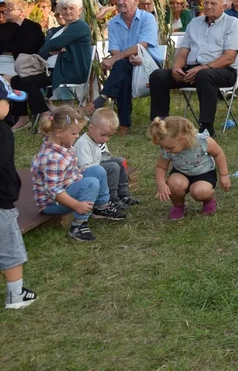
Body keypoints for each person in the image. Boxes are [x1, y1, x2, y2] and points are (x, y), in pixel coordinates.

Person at [148, 0, 238, 136]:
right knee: (158, 76)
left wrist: (204, 67)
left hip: (223, 70)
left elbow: (230, 57)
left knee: (204, 75)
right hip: (194, 69)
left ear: (224, 6)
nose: (208, 6)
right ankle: (160, 125)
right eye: (206, 3)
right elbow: (184, 52)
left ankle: (206, 128)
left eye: (213, 3)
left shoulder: (233, 24)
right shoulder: (194, 23)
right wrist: (176, 67)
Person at [32, 106, 125, 243]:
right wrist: (76, 205)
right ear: (59, 132)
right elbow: (54, 191)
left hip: (67, 188)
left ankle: (102, 208)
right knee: (91, 183)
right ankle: (78, 225)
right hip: (53, 203)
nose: (77, 137)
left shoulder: (63, 145)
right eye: (74, 134)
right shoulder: (52, 158)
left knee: (98, 170)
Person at [91, 0, 163, 135]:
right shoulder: (113, 23)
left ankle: (107, 102)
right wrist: (125, 57)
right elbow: (114, 48)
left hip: (149, 66)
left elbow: (143, 45)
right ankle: (122, 123)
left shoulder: (147, 18)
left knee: (119, 65)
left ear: (136, 1)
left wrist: (119, 57)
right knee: (122, 68)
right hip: (126, 64)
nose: (120, 2)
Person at [150, 116, 231, 220]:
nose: (166, 150)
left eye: (170, 147)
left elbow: (218, 154)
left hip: (204, 173)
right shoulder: (167, 148)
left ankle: (208, 200)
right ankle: (178, 206)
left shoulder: (203, 141)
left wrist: (224, 175)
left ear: (182, 137)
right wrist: (161, 184)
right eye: (163, 147)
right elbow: (161, 167)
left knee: (200, 192)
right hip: (181, 172)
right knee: (174, 185)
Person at [0, 77, 35, 309]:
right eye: (6, 101)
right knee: (10, 249)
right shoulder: (3, 132)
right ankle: (15, 295)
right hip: (1, 203)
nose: (10, 106)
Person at [73, 108, 138, 208]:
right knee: (113, 166)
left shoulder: (98, 139)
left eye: (109, 136)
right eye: (103, 135)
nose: (106, 139)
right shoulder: (83, 144)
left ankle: (123, 194)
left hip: (97, 168)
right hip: (85, 176)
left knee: (120, 161)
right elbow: (87, 169)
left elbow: (105, 157)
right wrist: (110, 168)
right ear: (91, 128)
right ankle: (112, 198)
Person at [0, 0, 47, 130]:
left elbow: (32, 47)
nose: (5, 12)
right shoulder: (5, 27)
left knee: (9, 79)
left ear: (20, 12)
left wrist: (11, 48)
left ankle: (14, 116)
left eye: (9, 9)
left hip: (27, 65)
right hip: (8, 63)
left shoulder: (33, 27)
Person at [39, 0, 94, 104]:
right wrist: (49, 50)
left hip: (72, 71)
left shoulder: (79, 26)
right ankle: (50, 111)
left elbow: (53, 44)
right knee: (22, 80)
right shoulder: (63, 28)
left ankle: (47, 111)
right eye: (64, 8)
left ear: (80, 10)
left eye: (71, 8)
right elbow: (44, 50)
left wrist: (49, 49)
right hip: (59, 69)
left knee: (28, 82)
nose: (67, 11)